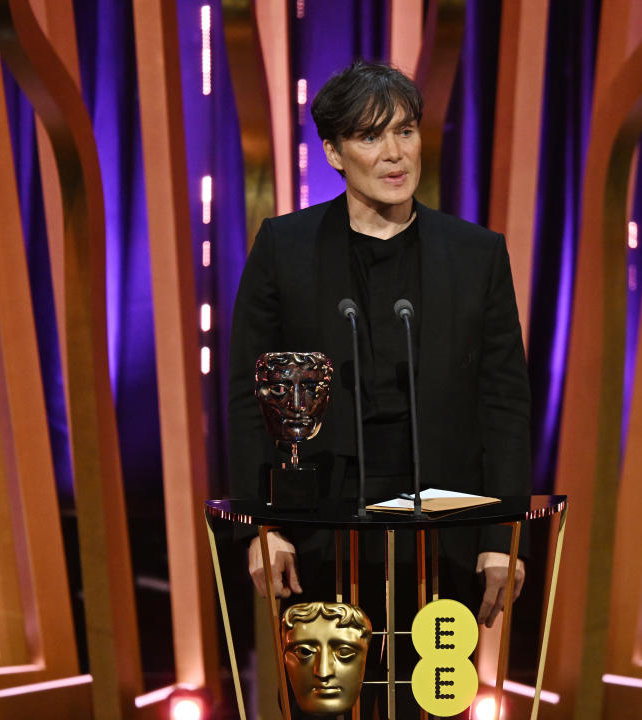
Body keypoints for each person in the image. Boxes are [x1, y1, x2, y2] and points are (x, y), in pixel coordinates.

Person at [227, 60, 530, 716]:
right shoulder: (285, 247)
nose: (395, 154)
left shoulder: (477, 254)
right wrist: (262, 526)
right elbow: (251, 394)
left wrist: (500, 541)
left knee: (431, 703)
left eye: (407, 131)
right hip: (321, 525)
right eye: (371, 137)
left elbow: (503, 399)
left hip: (445, 526)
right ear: (333, 152)